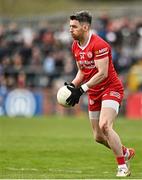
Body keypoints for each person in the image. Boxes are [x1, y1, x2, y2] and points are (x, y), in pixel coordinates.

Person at [64, 11, 135, 177]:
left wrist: (81, 89)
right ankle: (124, 152)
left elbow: (102, 73)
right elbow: (82, 71)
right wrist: (73, 85)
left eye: (74, 27)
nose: (70, 30)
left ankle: (122, 167)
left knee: (105, 126)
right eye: (70, 26)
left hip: (111, 88)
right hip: (94, 91)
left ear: (85, 27)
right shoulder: (75, 46)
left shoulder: (99, 45)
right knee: (98, 136)